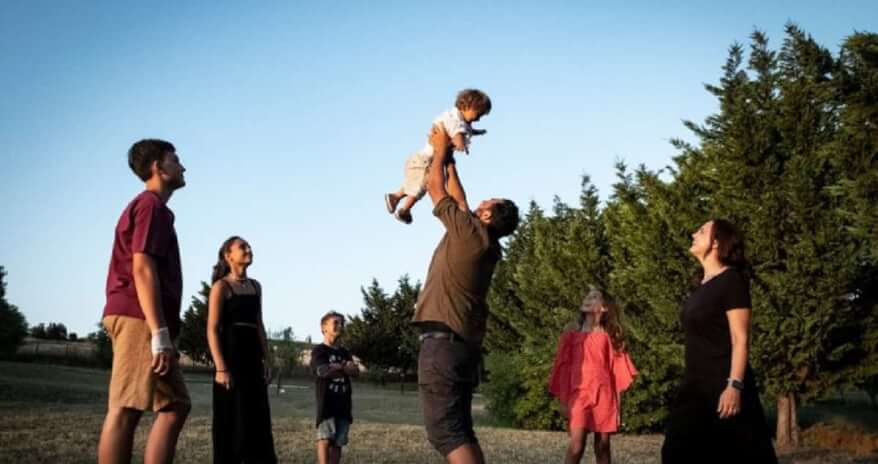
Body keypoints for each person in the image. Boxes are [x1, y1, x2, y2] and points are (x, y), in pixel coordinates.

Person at [412, 124, 519, 464]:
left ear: (486, 215)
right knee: (460, 430)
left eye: (487, 202)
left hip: (443, 346)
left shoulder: (470, 233)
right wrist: (451, 163)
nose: (481, 201)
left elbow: (436, 189)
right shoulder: (484, 242)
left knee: (446, 432)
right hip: (460, 347)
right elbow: (460, 199)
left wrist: (440, 149)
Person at [98, 139, 190, 464]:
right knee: (125, 409)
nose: (183, 166)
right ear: (157, 167)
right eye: (175, 160)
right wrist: (159, 333)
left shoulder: (155, 209)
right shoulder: (151, 206)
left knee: (176, 404)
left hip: (145, 318)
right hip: (139, 317)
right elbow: (142, 267)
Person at [661, 219, 778, 463]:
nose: (694, 234)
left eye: (701, 231)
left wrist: (734, 385)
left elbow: (740, 338)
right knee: (675, 451)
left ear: (716, 242)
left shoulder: (732, 280)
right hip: (695, 386)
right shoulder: (701, 285)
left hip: (723, 384)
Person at [207, 236, 277, 463]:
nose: (248, 249)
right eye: (242, 247)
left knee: (257, 418)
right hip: (231, 360)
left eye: (248, 246)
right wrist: (221, 368)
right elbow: (212, 329)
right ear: (228, 256)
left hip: (253, 359)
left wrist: (267, 360)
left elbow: (259, 325)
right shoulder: (221, 287)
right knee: (233, 418)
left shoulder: (256, 287)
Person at [548, 288, 638, 464]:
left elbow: (616, 373)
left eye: (594, 297)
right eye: (587, 295)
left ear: (604, 307)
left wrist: (617, 408)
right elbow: (563, 369)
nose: (588, 298)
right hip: (578, 395)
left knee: (603, 446)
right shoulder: (571, 334)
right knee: (576, 446)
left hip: (604, 396)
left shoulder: (610, 336)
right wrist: (564, 401)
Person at [385, 88, 491, 224]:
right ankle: (404, 209)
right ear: (468, 106)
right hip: (424, 161)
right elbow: (458, 135)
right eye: (478, 114)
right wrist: (461, 145)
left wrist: (477, 132)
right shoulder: (455, 120)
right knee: (420, 186)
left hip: (422, 160)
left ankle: (395, 197)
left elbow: (466, 129)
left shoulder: (458, 119)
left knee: (416, 184)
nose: (478, 119)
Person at [310, 311, 359, 464]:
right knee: (325, 439)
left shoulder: (345, 352)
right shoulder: (319, 351)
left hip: (343, 405)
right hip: (327, 404)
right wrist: (344, 367)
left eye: (342, 323)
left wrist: (338, 367)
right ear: (324, 327)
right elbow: (323, 371)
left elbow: (355, 372)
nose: (340, 326)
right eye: (335, 323)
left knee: (338, 443)